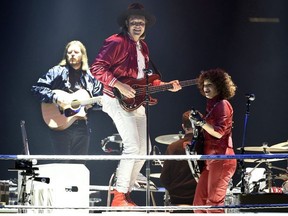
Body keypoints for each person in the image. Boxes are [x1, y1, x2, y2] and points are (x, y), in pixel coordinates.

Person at [90, 3, 181, 206]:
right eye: (134, 22)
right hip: (115, 98)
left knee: (144, 151)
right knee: (132, 147)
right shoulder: (116, 42)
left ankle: (125, 193)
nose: (138, 26)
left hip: (135, 101)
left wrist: (166, 85)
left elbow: (144, 80)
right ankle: (119, 196)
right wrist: (119, 85)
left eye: (141, 23)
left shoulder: (143, 47)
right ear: (127, 24)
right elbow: (96, 68)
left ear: (146, 26)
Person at [31, 40, 102, 163]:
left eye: (76, 52)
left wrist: (93, 104)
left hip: (82, 127)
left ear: (82, 55)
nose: (72, 54)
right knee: (62, 167)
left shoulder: (91, 77)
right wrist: (55, 98)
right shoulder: (57, 71)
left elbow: (99, 99)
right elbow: (36, 88)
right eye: (69, 52)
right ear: (66, 55)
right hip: (61, 126)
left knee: (79, 167)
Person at [189, 68, 237, 213]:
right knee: (199, 205)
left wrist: (201, 122)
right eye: (204, 85)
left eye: (209, 85)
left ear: (219, 86)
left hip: (221, 158)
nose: (206, 88)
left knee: (214, 205)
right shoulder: (213, 104)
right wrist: (199, 121)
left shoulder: (222, 104)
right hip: (211, 159)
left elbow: (218, 132)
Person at [160, 110, 198, 212]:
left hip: (177, 200)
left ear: (183, 126)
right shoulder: (206, 146)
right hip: (199, 200)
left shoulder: (173, 147)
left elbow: (164, 178)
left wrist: (174, 191)